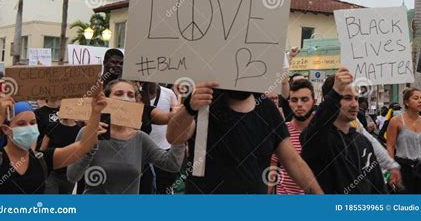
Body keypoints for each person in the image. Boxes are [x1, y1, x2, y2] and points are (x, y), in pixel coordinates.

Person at [166, 82, 323, 194]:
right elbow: (174, 137)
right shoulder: (204, 102)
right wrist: (190, 108)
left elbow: (293, 161)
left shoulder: (268, 109)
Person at [67, 79, 185, 194]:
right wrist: (89, 146)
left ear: (136, 101)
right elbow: (72, 176)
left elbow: (172, 164)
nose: (125, 98)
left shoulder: (140, 138)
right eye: (119, 94)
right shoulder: (89, 132)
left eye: (130, 95)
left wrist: (180, 126)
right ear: (106, 99)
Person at [0, 91, 106, 194]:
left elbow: (83, 147)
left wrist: (95, 113)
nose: (29, 128)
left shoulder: (42, 160)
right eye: (21, 124)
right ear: (6, 130)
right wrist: (0, 117)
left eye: (33, 123)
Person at [300, 67, 387, 194]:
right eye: (347, 98)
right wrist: (335, 91)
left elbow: (378, 186)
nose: (354, 104)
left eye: (356, 98)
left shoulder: (363, 141)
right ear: (332, 99)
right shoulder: (319, 140)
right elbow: (316, 129)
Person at [386, 88, 421, 194]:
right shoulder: (396, 121)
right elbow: (390, 147)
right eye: (415, 98)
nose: (420, 101)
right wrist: (391, 170)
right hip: (404, 169)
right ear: (406, 102)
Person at [269, 79, 316, 194]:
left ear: (314, 102)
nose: (299, 104)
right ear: (289, 102)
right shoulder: (281, 130)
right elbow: (272, 169)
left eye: (304, 99)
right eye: (294, 100)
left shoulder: (323, 131)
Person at [40, 114, 82, 194]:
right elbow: (42, 149)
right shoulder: (52, 126)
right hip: (51, 172)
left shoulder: (79, 130)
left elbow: (80, 152)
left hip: (68, 175)